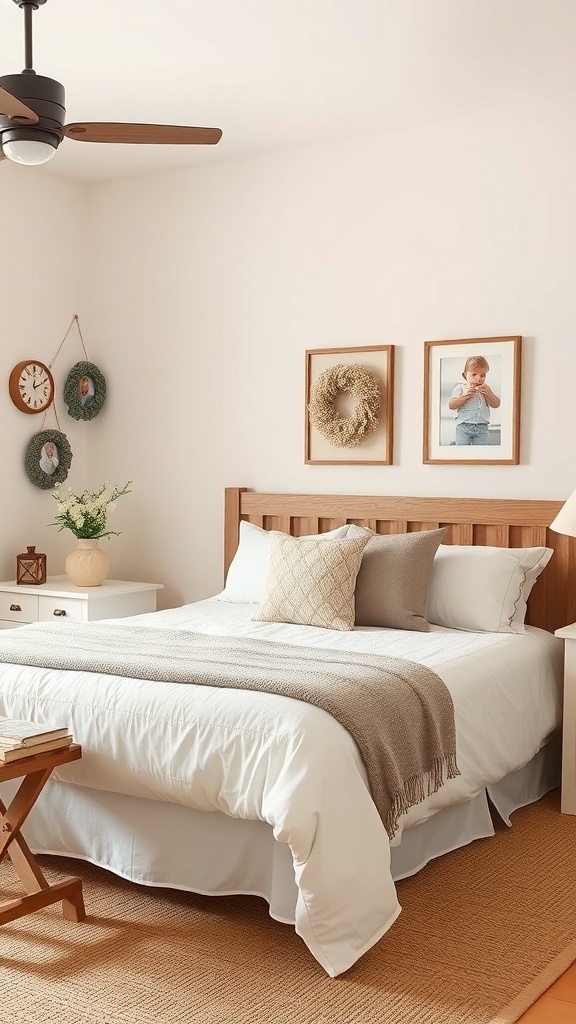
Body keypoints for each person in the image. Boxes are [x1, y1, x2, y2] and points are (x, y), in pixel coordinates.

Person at [448, 355, 501, 446]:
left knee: (481, 451)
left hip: (482, 427)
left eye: (482, 375)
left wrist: (489, 394)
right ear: (465, 376)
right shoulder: (460, 388)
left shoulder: (486, 389)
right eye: (474, 374)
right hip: (463, 426)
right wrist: (465, 396)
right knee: (462, 449)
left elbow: (496, 404)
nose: (478, 378)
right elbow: (451, 405)